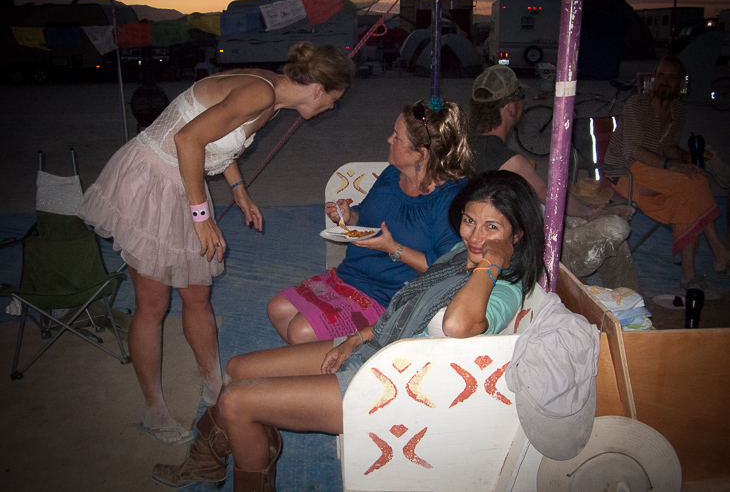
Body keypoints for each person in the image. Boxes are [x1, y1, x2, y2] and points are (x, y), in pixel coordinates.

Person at [151, 170, 546, 491]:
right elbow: (411, 306)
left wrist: (490, 262)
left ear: (518, 235)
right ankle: (226, 454)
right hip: (379, 346)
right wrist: (357, 337)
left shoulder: (502, 286)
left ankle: (246, 464)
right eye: (469, 220)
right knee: (238, 368)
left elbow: (456, 324)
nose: (475, 237)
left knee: (236, 401)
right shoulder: (463, 252)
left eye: (492, 228)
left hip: (394, 385)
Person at [77, 42, 355, 445]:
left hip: (184, 184)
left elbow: (218, 143)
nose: (331, 107)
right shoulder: (261, 91)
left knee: (197, 295)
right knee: (153, 304)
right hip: (154, 180)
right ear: (317, 89)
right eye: (334, 99)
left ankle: (213, 385)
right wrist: (202, 217)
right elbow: (188, 140)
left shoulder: (272, 100)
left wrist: (239, 190)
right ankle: (154, 411)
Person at [267, 98, 473, 344]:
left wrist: (393, 249)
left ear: (420, 154)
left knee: (300, 332)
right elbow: (367, 216)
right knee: (277, 309)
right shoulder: (392, 174)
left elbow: (447, 269)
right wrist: (349, 215)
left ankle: (342, 371)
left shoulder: (450, 200)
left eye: (397, 138)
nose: (389, 140)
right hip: (351, 276)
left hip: (388, 296)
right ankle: (327, 366)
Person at [468, 65, 640, 291]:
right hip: (522, 252)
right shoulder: (508, 160)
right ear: (510, 107)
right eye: (520, 99)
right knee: (616, 228)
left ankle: (627, 299)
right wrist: (595, 212)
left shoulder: (468, 145)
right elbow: (551, 198)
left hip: (492, 233)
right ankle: (631, 303)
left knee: (593, 223)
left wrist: (591, 213)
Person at [604, 55, 730, 296]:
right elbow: (634, 151)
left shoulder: (676, 109)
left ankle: (688, 277)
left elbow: (668, 147)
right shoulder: (636, 105)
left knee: (686, 194)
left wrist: (683, 157)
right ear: (654, 78)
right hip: (626, 172)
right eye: (660, 76)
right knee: (694, 182)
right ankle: (719, 251)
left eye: (671, 78)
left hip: (652, 173)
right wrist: (672, 166)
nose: (664, 82)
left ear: (680, 84)